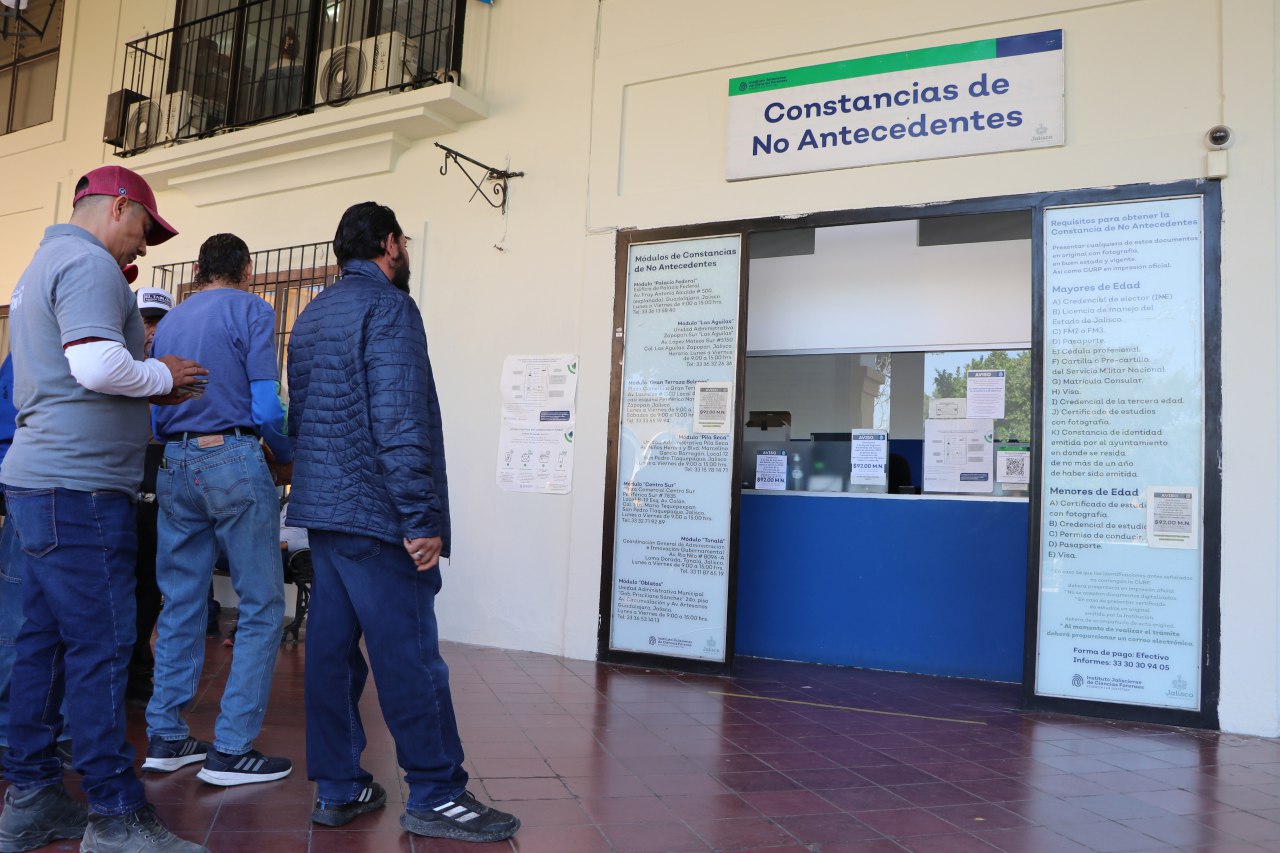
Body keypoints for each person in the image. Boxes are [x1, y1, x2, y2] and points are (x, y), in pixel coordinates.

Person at [287, 202, 519, 843]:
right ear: (389, 244)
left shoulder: (311, 316)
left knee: (331, 658)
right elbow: (399, 421)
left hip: (326, 516)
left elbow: (301, 420)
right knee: (410, 657)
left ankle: (339, 786)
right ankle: (438, 793)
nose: (406, 251)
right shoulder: (390, 308)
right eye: (404, 242)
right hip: (378, 518)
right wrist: (420, 517)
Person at [0, 164, 208, 853]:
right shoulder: (88, 263)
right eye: (145, 228)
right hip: (80, 491)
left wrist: (148, 386)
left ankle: (32, 796)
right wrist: (159, 374)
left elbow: (76, 374)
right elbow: (94, 366)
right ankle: (116, 814)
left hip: (42, 484)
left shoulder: (42, 264)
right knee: (103, 645)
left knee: (43, 642)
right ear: (119, 206)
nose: (144, 246)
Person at [143, 233, 293, 787]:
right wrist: (285, 451)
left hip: (174, 461)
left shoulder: (171, 322)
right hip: (231, 456)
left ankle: (166, 736)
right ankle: (230, 749)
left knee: (181, 600)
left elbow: (155, 406)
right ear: (246, 270)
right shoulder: (252, 309)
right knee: (262, 604)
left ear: (199, 271)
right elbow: (265, 405)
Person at [128, 286, 176, 707]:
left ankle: (139, 667)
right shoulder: (116, 364)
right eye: (146, 321)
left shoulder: (175, 370)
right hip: (120, 475)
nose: (153, 331)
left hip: (160, 470)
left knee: (149, 579)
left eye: (160, 322)